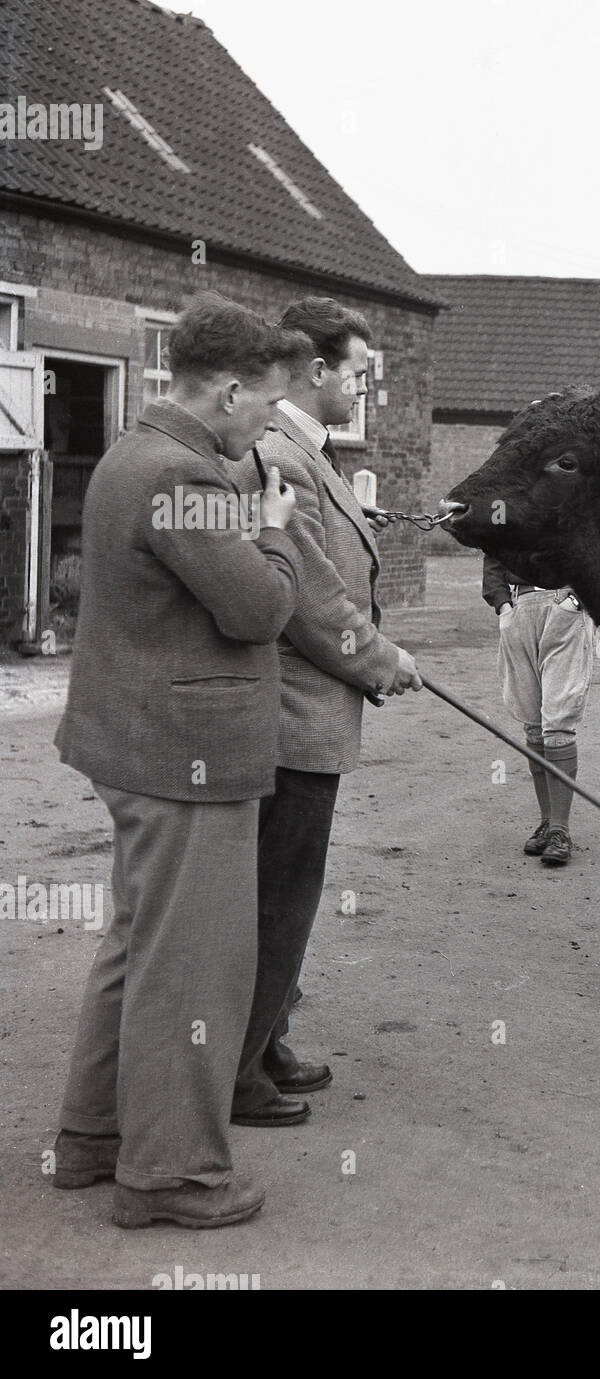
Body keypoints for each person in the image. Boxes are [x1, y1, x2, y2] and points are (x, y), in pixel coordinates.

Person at [50, 296, 308, 1229]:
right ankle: (172, 1176)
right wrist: (275, 522)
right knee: (194, 969)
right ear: (230, 388)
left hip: (134, 744)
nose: (270, 423)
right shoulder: (185, 478)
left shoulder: (137, 452)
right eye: (268, 406)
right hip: (184, 757)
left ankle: (93, 1138)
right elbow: (259, 610)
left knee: (138, 946)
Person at [229, 298, 424, 1127]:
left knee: (290, 894)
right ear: (316, 372)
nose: (365, 389)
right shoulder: (283, 457)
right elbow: (308, 599)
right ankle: (237, 1073)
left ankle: (265, 1039)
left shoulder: (313, 454)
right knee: (276, 898)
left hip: (307, 718)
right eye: (357, 374)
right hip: (288, 720)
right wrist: (384, 661)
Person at [484, 555, 593, 865]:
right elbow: (493, 547)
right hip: (520, 605)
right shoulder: (506, 507)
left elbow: (593, 540)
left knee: (558, 720)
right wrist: (503, 604)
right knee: (532, 722)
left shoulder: (572, 503)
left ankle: (560, 830)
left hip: (563, 604)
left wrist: (576, 598)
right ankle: (546, 823)